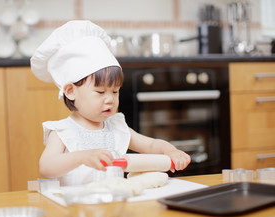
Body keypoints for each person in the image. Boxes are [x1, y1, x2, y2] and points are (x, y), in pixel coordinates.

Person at [30, 20, 191, 186]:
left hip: (115, 202)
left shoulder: (116, 127)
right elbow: (46, 167)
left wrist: (170, 151)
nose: (110, 99)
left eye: (115, 91)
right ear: (70, 91)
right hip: (78, 207)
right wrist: (82, 157)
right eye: (100, 92)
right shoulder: (63, 131)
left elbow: (151, 145)